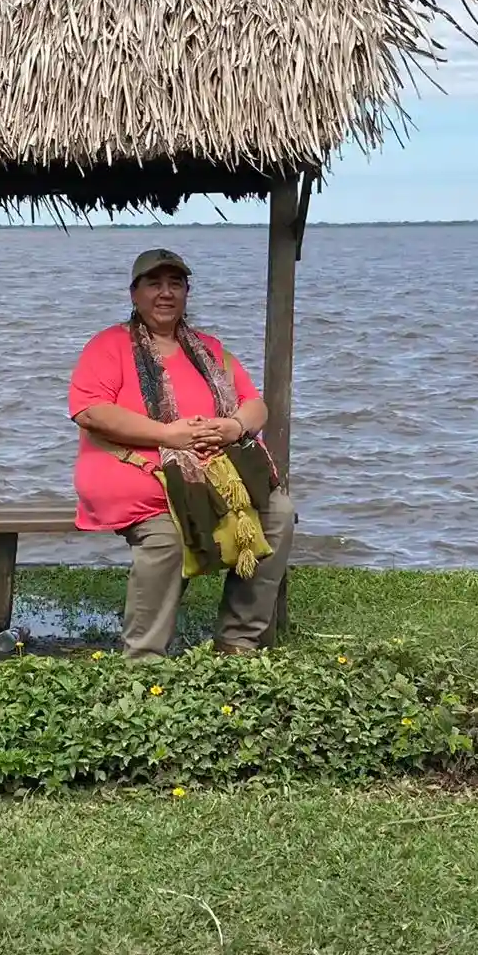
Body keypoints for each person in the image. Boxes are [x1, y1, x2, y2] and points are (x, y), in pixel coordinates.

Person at [67, 248, 297, 658]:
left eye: (175, 284)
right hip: (141, 475)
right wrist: (167, 435)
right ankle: (144, 658)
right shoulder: (109, 345)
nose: (165, 293)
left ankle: (238, 639)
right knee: (167, 536)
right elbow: (89, 410)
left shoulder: (208, 348)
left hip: (212, 474)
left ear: (187, 293)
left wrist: (234, 427)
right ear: (134, 294)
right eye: (154, 284)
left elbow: (254, 404)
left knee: (277, 512)